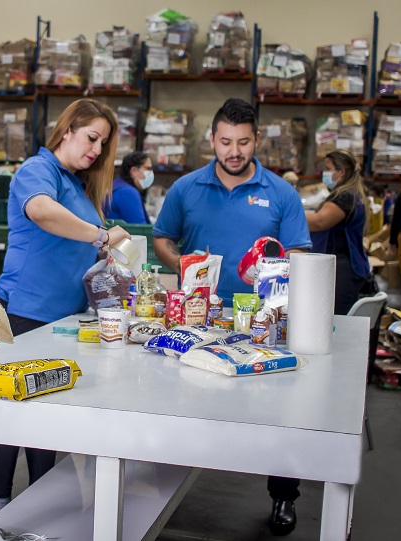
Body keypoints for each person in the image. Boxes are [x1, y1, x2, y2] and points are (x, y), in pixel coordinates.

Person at [152, 97, 311, 536]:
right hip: (200, 317)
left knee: (280, 411)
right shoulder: (185, 189)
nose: (234, 151)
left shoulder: (281, 193)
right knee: (182, 402)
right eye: (225, 142)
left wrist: (276, 268)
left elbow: (298, 250)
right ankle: (165, 487)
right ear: (212, 140)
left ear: (256, 139)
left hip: (263, 321)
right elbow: (162, 238)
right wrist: (182, 263)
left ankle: (283, 495)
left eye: (243, 142)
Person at [0, 98, 130, 515]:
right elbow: (42, 212)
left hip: (65, 320)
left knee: (46, 415)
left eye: (103, 143)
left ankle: (39, 504)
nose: (97, 150)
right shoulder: (39, 170)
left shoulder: (79, 185)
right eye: (91, 137)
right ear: (67, 129)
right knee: (7, 413)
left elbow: (77, 247)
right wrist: (101, 237)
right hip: (25, 314)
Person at [305, 150, 370, 315]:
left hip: (342, 271)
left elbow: (320, 222)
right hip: (341, 267)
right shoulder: (348, 194)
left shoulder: (345, 197)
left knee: (335, 320)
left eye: (327, 168)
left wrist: (287, 214)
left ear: (341, 172)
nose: (324, 173)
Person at [102, 150, 152, 223]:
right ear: (134, 171)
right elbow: (139, 228)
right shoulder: (127, 192)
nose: (151, 173)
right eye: (148, 169)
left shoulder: (116, 185)